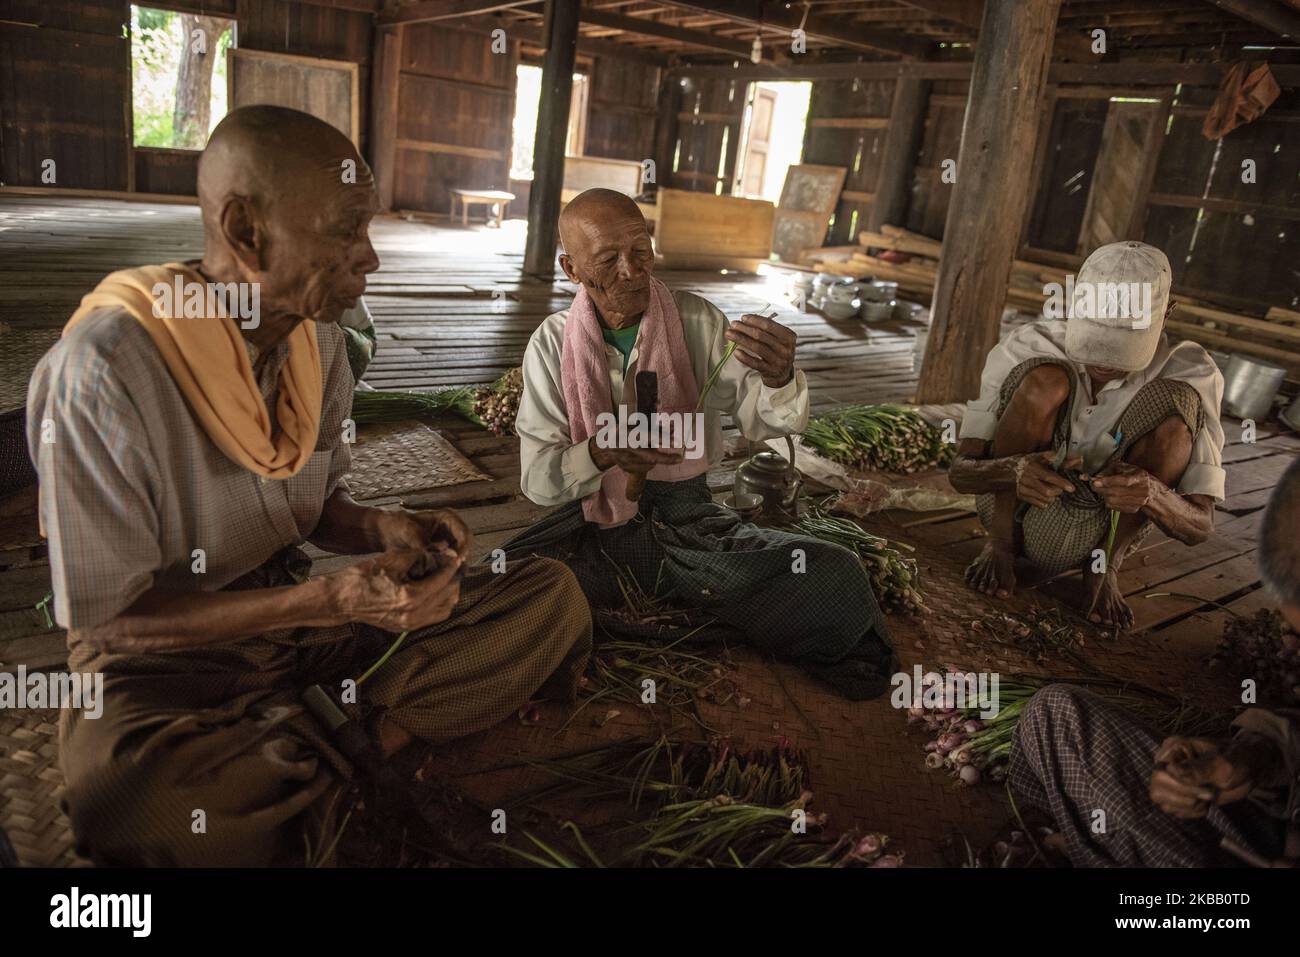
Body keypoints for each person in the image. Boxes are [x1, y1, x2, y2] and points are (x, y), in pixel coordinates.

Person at [25, 105, 591, 866]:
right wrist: (325, 599)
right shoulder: (104, 371)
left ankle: (330, 747)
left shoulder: (317, 339)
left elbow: (319, 510)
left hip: (296, 637)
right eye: (347, 229)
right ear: (246, 231)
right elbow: (109, 625)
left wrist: (383, 529)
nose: (372, 259)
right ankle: (348, 743)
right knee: (129, 789)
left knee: (546, 593)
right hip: (164, 672)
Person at [503, 188, 895, 700]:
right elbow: (538, 481)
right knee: (510, 579)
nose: (631, 270)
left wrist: (779, 377)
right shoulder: (551, 344)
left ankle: (663, 606)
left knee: (833, 572)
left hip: (690, 525)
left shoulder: (696, 322)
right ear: (571, 269)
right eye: (608, 259)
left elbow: (765, 425)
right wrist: (602, 453)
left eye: (640, 251)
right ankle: (708, 607)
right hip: (594, 527)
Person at [1007, 456, 1300, 867]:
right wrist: (1246, 760)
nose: (1288, 651)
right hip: (1264, 823)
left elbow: (1199, 525)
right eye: (1292, 630)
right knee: (1054, 714)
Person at [949, 241, 1225, 629]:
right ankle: (1001, 545)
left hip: (1103, 525)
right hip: (1013, 510)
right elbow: (961, 472)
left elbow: (1200, 527)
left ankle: (1104, 565)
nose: (1101, 360)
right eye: (1094, 336)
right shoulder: (1029, 344)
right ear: (1075, 301)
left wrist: (1152, 491)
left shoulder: (1194, 371)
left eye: (1120, 344)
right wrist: (1012, 470)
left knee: (1179, 399)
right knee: (1045, 378)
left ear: (1167, 314)